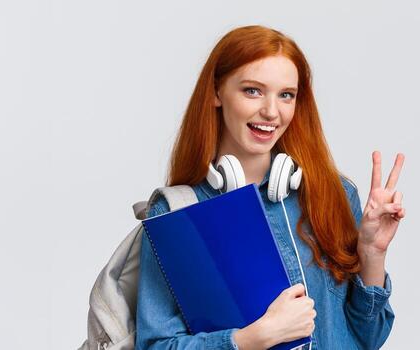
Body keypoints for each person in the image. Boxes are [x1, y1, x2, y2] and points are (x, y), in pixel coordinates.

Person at [136, 25, 406, 350]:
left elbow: (369, 337)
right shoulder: (178, 213)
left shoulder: (333, 194)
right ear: (216, 92)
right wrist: (252, 339)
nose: (271, 111)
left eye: (286, 95)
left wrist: (372, 255)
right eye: (252, 90)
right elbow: (155, 345)